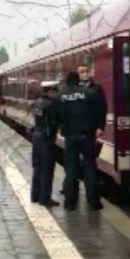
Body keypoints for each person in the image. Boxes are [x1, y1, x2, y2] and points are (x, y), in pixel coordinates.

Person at [57, 71, 106, 211]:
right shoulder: (91, 93)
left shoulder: (61, 96)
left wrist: (60, 127)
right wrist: (100, 126)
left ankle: (70, 203)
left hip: (70, 137)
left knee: (71, 169)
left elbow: (55, 115)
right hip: (87, 136)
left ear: (66, 81)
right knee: (90, 167)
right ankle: (93, 203)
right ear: (78, 80)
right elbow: (102, 109)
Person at [31, 81, 60, 207]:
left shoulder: (36, 103)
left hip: (36, 136)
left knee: (37, 168)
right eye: (55, 91)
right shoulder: (51, 104)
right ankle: (45, 198)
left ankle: (35, 196)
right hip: (46, 138)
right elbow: (55, 122)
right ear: (51, 90)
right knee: (47, 169)